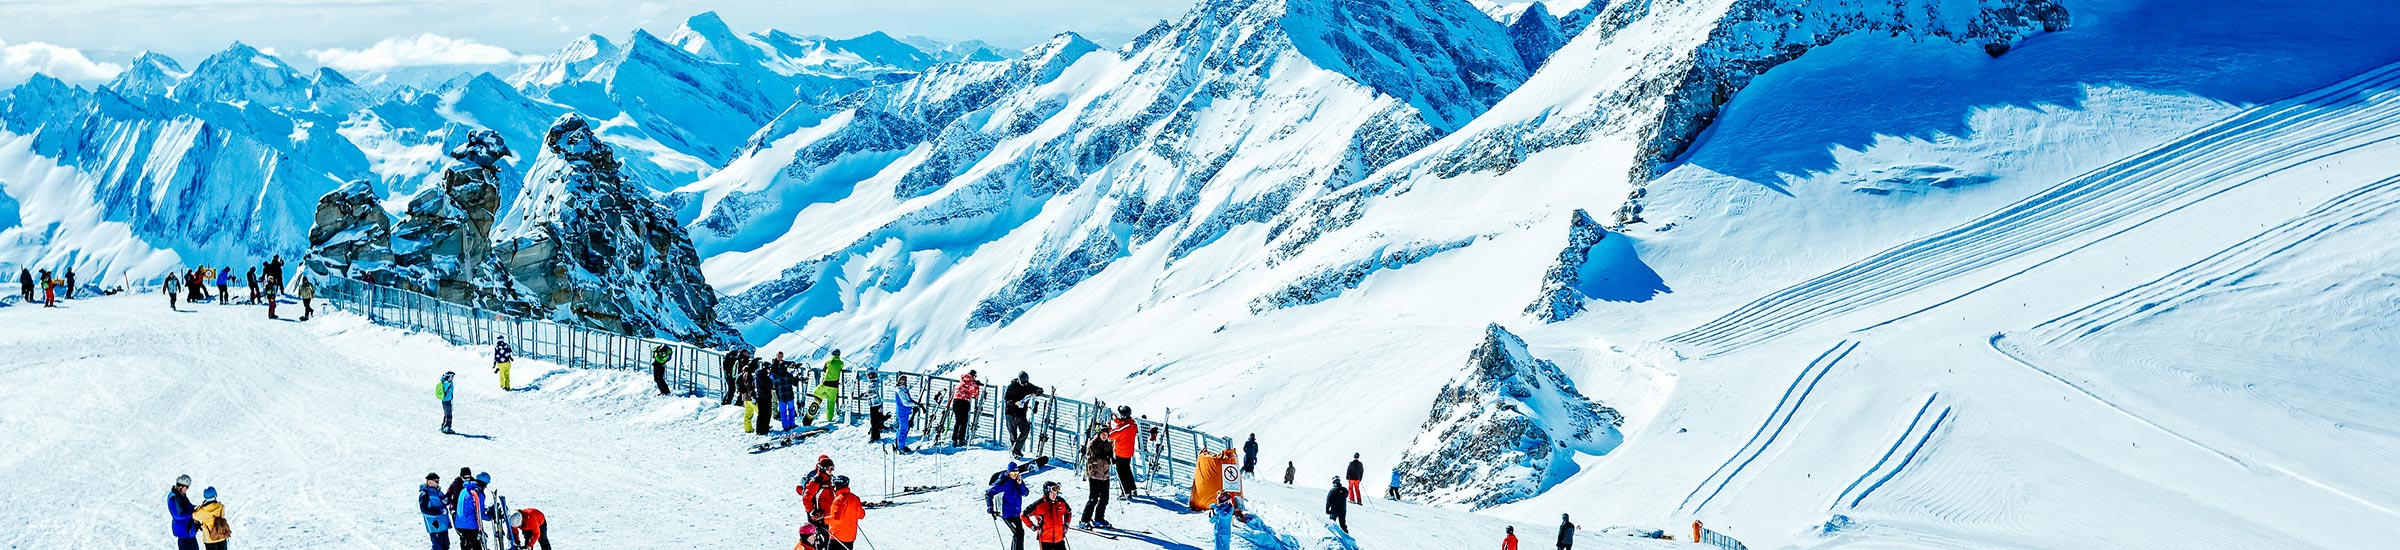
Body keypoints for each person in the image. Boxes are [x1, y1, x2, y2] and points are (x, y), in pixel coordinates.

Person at [986, 461, 1030, 550]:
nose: (1014, 475)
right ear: (1008, 472)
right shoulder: (1003, 481)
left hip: (1016, 513)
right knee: (1018, 533)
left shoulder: (1018, 480)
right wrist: (990, 506)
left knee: (1019, 533)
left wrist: (1020, 483)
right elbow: (988, 493)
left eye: (1016, 473)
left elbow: (1025, 493)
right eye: (1012, 473)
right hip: (1006, 513)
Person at [1001, 372, 1043, 457]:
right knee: (1013, 433)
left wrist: (1036, 393)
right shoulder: (1011, 387)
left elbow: (1039, 389)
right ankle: (1015, 452)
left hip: (1021, 413)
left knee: (1025, 430)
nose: (1024, 384)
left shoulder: (1028, 386)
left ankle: (1016, 449)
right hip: (1010, 412)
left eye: (1026, 382)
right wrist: (1015, 402)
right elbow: (1007, 399)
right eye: (1023, 383)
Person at [1023, 481, 1073, 550]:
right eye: (1052, 492)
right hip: (1045, 540)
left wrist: (1066, 525)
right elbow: (1023, 515)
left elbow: (1068, 513)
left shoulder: (1061, 502)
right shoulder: (1039, 504)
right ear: (1047, 492)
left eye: (1056, 492)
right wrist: (1033, 527)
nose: (1054, 494)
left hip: (1059, 539)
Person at [1079, 430, 1112, 528]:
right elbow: (1089, 459)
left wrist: (1111, 459)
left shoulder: (1108, 444)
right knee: (1093, 499)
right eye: (1103, 434)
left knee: (1104, 499)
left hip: (1105, 475)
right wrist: (1101, 458)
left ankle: (1099, 518)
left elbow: (1109, 457)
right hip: (1095, 475)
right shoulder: (1093, 444)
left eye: (1106, 435)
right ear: (1099, 434)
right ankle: (1084, 520)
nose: (1104, 436)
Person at [822, 476, 864, 550]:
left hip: (837, 538)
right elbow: (861, 515)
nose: (833, 489)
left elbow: (836, 519)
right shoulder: (855, 498)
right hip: (850, 538)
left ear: (837, 486)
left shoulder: (839, 500)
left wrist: (823, 520)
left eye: (834, 486)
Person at [1109, 407, 1139, 498]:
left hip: (1121, 452)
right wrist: (1116, 420)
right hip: (1128, 452)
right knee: (1127, 470)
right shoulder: (1132, 424)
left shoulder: (1123, 427)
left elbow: (1111, 436)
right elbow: (1123, 425)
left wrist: (1109, 427)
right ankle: (1133, 489)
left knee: (1121, 472)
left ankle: (1126, 492)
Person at [453, 473, 487, 550]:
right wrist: (490, 516)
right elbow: (480, 514)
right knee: (476, 546)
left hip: (459, 524)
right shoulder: (478, 493)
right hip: (470, 525)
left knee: (465, 545)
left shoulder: (464, 491)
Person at [421, 473, 453, 550]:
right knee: (438, 547)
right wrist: (438, 511)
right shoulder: (425, 494)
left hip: (443, 524)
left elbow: (443, 502)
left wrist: (448, 501)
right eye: (436, 481)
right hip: (434, 525)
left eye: (438, 481)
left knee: (445, 546)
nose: (438, 483)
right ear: (429, 482)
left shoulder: (438, 492)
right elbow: (424, 510)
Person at [949, 370, 981, 446]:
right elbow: (975, 394)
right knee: (964, 422)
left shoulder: (962, 379)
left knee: (957, 421)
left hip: (956, 401)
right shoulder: (972, 382)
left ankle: (954, 439)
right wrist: (977, 385)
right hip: (964, 402)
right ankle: (961, 438)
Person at [169, 475, 200, 550]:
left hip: (188, 531)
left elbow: (186, 506)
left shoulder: (180, 495)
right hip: (184, 531)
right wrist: (192, 514)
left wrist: (194, 508)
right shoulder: (174, 498)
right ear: (180, 486)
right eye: (186, 487)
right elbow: (178, 515)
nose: (186, 490)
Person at [815, 350, 845, 425]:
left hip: (826, 383)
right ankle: (829, 419)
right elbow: (841, 368)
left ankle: (825, 396)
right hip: (834, 386)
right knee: (831, 403)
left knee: (816, 392)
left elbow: (824, 369)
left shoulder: (828, 362)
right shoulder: (841, 363)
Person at [891, 375, 916, 453]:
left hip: (904, 411)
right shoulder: (900, 391)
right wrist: (916, 405)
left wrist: (916, 403)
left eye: (905, 381)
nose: (904, 382)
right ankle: (901, 447)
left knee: (902, 428)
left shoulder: (903, 390)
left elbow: (909, 399)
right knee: (903, 429)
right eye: (902, 381)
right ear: (899, 381)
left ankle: (898, 444)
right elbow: (906, 403)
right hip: (903, 411)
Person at [752, 356, 776, 435]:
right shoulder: (765, 377)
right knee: (767, 413)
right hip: (765, 397)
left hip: (759, 396)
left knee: (761, 413)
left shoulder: (757, 375)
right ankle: (765, 428)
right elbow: (770, 386)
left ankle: (759, 429)